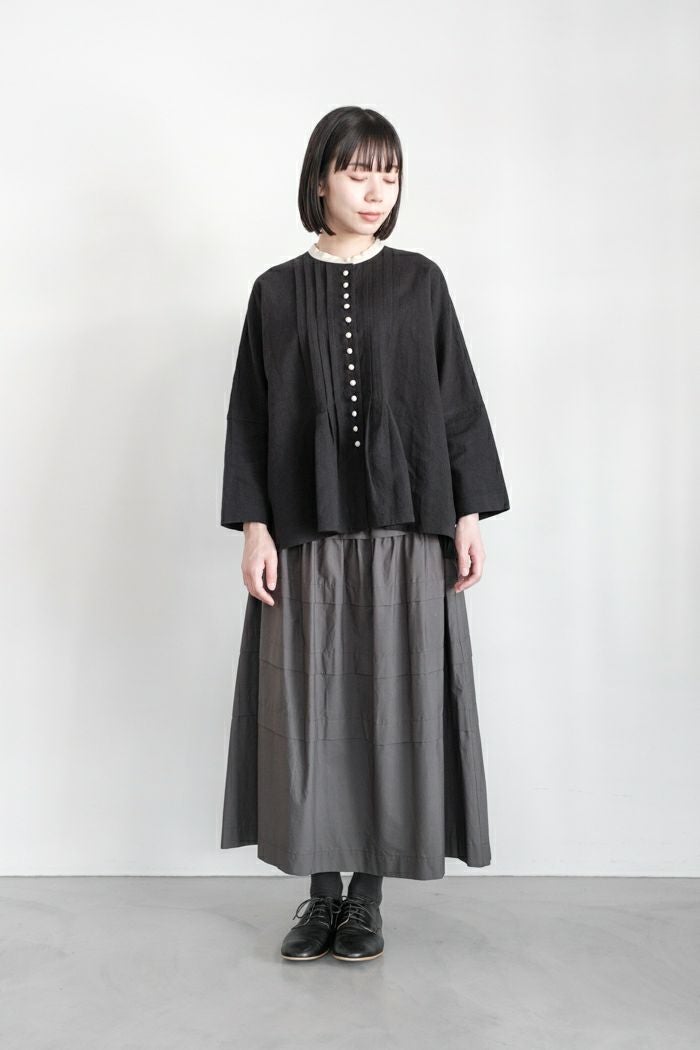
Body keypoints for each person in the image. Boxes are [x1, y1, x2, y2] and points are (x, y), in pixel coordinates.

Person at [219, 106, 510, 963]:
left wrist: (466, 514)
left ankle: (368, 899)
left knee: (393, 708)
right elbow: (249, 417)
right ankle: (320, 896)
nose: (376, 190)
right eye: (358, 172)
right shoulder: (275, 292)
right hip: (304, 534)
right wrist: (255, 527)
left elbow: (455, 402)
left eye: (389, 173)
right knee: (310, 711)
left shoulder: (421, 282)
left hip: (405, 532)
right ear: (321, 180)